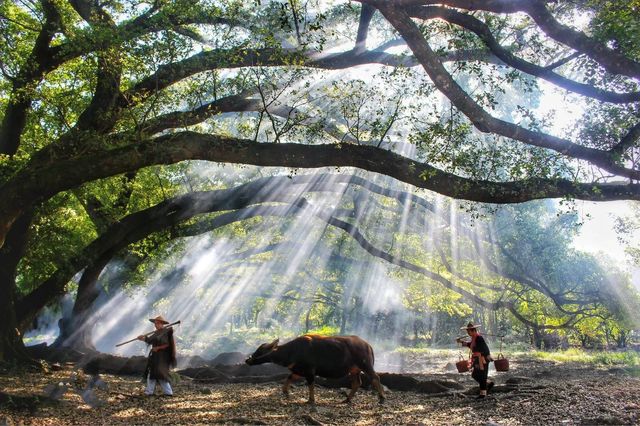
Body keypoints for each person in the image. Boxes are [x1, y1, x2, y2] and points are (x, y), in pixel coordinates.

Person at [137, 315, 177, 396]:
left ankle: (168, 393)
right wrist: (143, 338)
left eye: (158, 323)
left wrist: (158, 348)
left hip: (163, 357)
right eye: (155, 323)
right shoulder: (156, 333)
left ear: (162, 324)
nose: (156, 325)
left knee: (162, 374)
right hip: (155, 357)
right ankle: (149, 392)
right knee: (152, 373)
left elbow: (167, 344)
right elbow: (149, 340)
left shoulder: (165, 332)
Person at [456, 322, 494, 399]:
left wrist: (480, 354)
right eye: (467, 331)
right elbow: (471, 345)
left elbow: (484, 349)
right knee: (475, 375)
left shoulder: (479, 338)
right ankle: (488, 383)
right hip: (477, 359)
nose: (468, 333)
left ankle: (482, 394)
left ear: (473, 331)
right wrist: (461, 342)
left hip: (483, 360)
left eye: (469, 331)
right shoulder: (474, 338)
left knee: (482, 376)